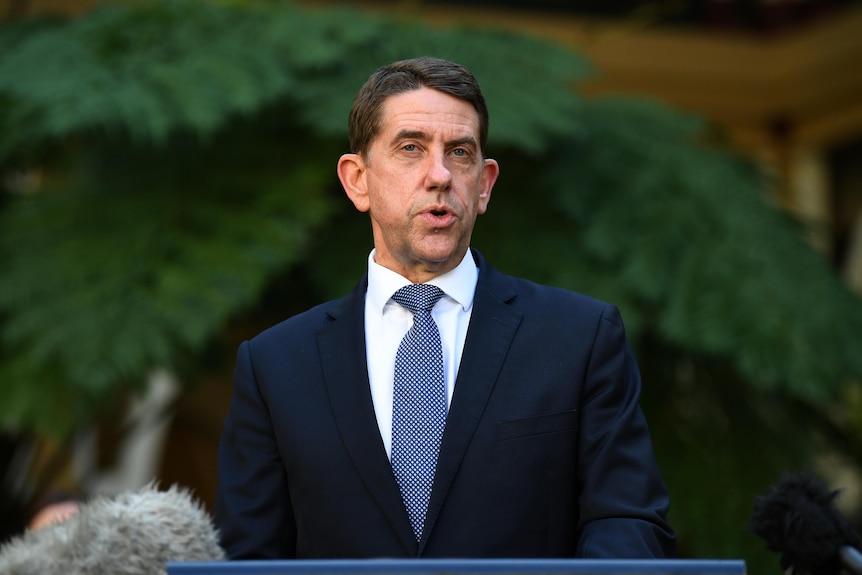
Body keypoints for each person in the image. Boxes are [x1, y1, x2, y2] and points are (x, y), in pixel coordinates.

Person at [214, 56, 676, 560]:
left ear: (483, 184)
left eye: (459, 153)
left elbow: (627, 522)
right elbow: (249, 559)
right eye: (411, 148)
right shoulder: (275, 364)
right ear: (357, 180)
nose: (440, 175)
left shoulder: (581, 338)